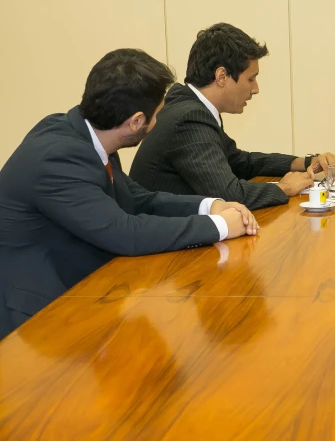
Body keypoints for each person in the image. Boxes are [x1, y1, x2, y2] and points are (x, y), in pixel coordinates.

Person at [0, 49, 259, 339]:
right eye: (158, 114)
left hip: (83, 296)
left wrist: (211, 206)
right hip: (34, 321)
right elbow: (125, 233)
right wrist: (222, 227)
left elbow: (137, 200)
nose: (159, 123)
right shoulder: (58, 158)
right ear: (136, 121)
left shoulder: (88, 136)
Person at [129, 23, 335, 210]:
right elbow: (228, 194)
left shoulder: (191, 104)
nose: (255, 89)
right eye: (251, 79)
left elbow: (239, 162)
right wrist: (283, 188)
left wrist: (304, 163)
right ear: (222, 76)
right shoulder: (189, 117)